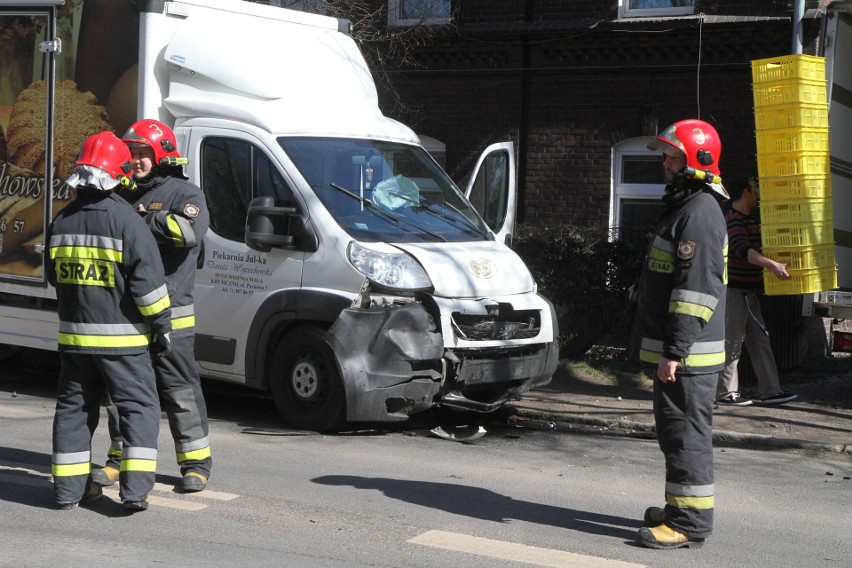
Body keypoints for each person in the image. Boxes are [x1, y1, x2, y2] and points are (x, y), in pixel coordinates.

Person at [48, 131, 172, 511]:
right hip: (124, 344)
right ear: (118, 175)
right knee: (138, 410)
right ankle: (134, 492)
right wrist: (161, 325)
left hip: (74, 341)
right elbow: (148, 287)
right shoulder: (127, 221)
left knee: (73, 411)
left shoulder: (61, 220)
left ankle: (68, 492)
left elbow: (54, 277)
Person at [91, 119, 212, 493]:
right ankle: (118, 457)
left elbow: (187, 232)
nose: (137, 161)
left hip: (172, 313)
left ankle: (195, 464)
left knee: (179, 390)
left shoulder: (185, 193)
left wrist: (139, 220)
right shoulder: (120, 195)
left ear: (161, 154)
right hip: (126, 315)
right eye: (132, 154)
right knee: (121, 393)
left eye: (143, 153)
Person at [631, 119, 729, 549]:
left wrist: (675, 351)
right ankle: (678, 510)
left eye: (672, 156)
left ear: (696, 162)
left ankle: (688, 524)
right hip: (681, 356)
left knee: (686, 435)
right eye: (666, 156)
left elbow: (695, 294)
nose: (665, 164)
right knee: (675, 434)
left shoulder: (700, 213)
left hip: (688, 359)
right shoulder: (686, 208)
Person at [716, 178, 798, 406]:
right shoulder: (732, 220)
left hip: (749, 292)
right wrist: (772, 265)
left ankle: (771, 391)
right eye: (755, 188)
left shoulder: (749, 220)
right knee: (731, 341)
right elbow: (744, 252)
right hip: (734, 291)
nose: (758, 193)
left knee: (760, 340)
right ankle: (724, 394)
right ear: (746, 191)